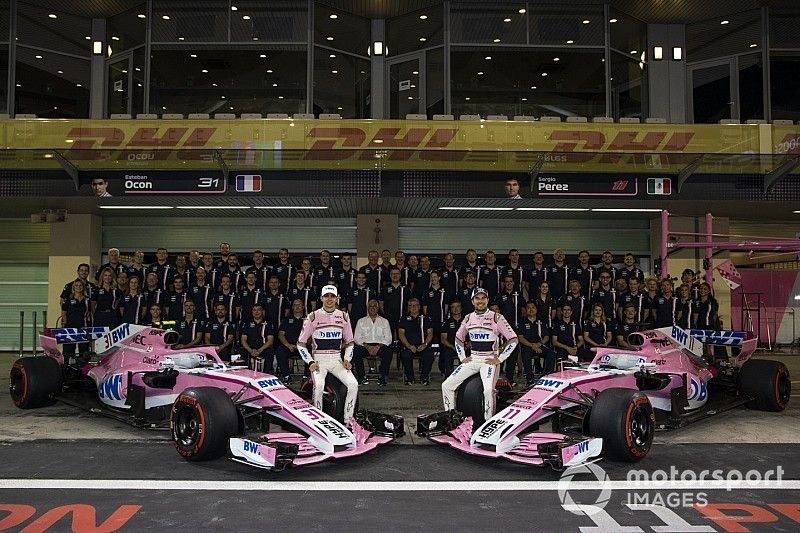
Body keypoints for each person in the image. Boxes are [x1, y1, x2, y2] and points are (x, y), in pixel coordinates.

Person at [441, 288, 518, 418]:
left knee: (488, 390)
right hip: (473, 359)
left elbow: (513, 339)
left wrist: (500, 358)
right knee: (446, 385)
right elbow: (458, 338)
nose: (480, 301)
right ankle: (451, 418)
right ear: (472, 301)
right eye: (477, 298)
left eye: (483, 298)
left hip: (489, 361)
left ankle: (488, 422)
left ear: (487, 300)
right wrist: (462, 357)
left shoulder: (497, 317)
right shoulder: (468, 318)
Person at [296, 285, 359, 422]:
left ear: (337, 298)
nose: (329, 299)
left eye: (332, 296)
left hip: (337, 359)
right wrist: (310, 362)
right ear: (321, 298)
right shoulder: (312, 317)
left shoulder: (343, 316)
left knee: (353, 384)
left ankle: (348, 421)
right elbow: (300, 344)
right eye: (326, 296)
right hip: (319, 360)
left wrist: (347, 359)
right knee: (318, 385)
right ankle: (318, 422)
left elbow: (350, 342)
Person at [493, 275, 525, 383]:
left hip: (516, 326)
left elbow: (524, 309)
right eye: (506, 281)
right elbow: (495, 310)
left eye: (511, 281)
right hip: (502, 326)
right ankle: (497, 374)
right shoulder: (499, 295)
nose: (508, 283)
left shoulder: (519, 295)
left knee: (513, 351)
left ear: (514, 283)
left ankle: (510, 377)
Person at [353, 299, 393, 386]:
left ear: (378, 308)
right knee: (356, 351)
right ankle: (362, 377)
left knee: (388, 352)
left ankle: (383, 376)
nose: (372, 308)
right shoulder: (361, 321)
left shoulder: (384, 321)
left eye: (375, 306)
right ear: (367, 308)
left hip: (380, 345)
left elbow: (388, 338)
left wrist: (377, 347)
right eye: (370, 306)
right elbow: (356, 338)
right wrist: (368, 347)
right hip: (365, 346)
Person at [398, 298, 434, 385]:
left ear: (419, 307)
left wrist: (425, 344)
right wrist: (409, 346)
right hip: (409, 346)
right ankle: (410, 378)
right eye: (410, 306)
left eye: (415, 305)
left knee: (429, 354)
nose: (413, 307)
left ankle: (424, 377)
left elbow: (430, 333)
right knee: (405, 355)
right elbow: (401, 334)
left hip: (423, 345)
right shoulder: (404, 318)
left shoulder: (425, 318)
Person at [518, 302, 554, 383]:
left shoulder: (542, 321)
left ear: (536, 309)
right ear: (525, 310)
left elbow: (547, 336)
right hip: (528, 346)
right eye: (528, 308)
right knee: (525, 354)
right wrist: (532, 345)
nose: (531, 309)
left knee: (551, 353)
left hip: (540, 345)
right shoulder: (522, 322)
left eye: (533, 307)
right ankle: (530, 379)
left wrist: (539, 344)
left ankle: (545, 376)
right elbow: (520, 338)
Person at [60, 279, 91, 363]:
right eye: (76, 285)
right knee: (68, 351)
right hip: (70, 327)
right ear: (73, 287)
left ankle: (83, 369)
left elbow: (89, 313)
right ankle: (67, 368)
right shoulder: (68, 299)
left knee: (84, 351)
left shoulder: (87, 300)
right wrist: (66, 325)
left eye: (80, 285)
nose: (78, 287)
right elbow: (64, 313)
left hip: (83, 327)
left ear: (83, 287)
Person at [276, 299, 306, 382]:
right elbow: (281, 334)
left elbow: (311, 335)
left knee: (312, 351)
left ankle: (306, 377)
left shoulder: (308, 319)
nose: (297, 307)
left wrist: (301, 346)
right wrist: (288, 345)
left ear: (303, 307)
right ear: (292, 307)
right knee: (280, 351)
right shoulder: (286, 319)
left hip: (303, 346)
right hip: (289, 346)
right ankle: (286, 376)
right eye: (295, 305)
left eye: (299, 305)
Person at [240, 303, 274, 370]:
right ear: (252, 312)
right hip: (250, 348)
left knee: (270, 351)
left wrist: (259, 350)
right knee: (241, 350)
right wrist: (251, 351)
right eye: (254, 310)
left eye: (259, 310)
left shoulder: (268, 323)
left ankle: (265, 374)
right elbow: (243, 340)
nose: (256, 312)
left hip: (263, 348)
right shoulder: (247, 323)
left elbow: (270, 341)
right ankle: (246, 373)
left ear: (263, 311)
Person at [440, 300, 464, 378]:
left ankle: (465, 378)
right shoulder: (446, 322)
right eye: (453, 307)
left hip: (465, 347)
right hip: (451, 347)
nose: (456, 309)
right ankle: (449, 378)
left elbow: (473, 335)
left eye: (458, 306)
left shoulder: (467, 321)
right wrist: (452, 347)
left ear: (461, 308)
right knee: (447, 353)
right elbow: (443, 339)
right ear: (450, 309)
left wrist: (467, 345)